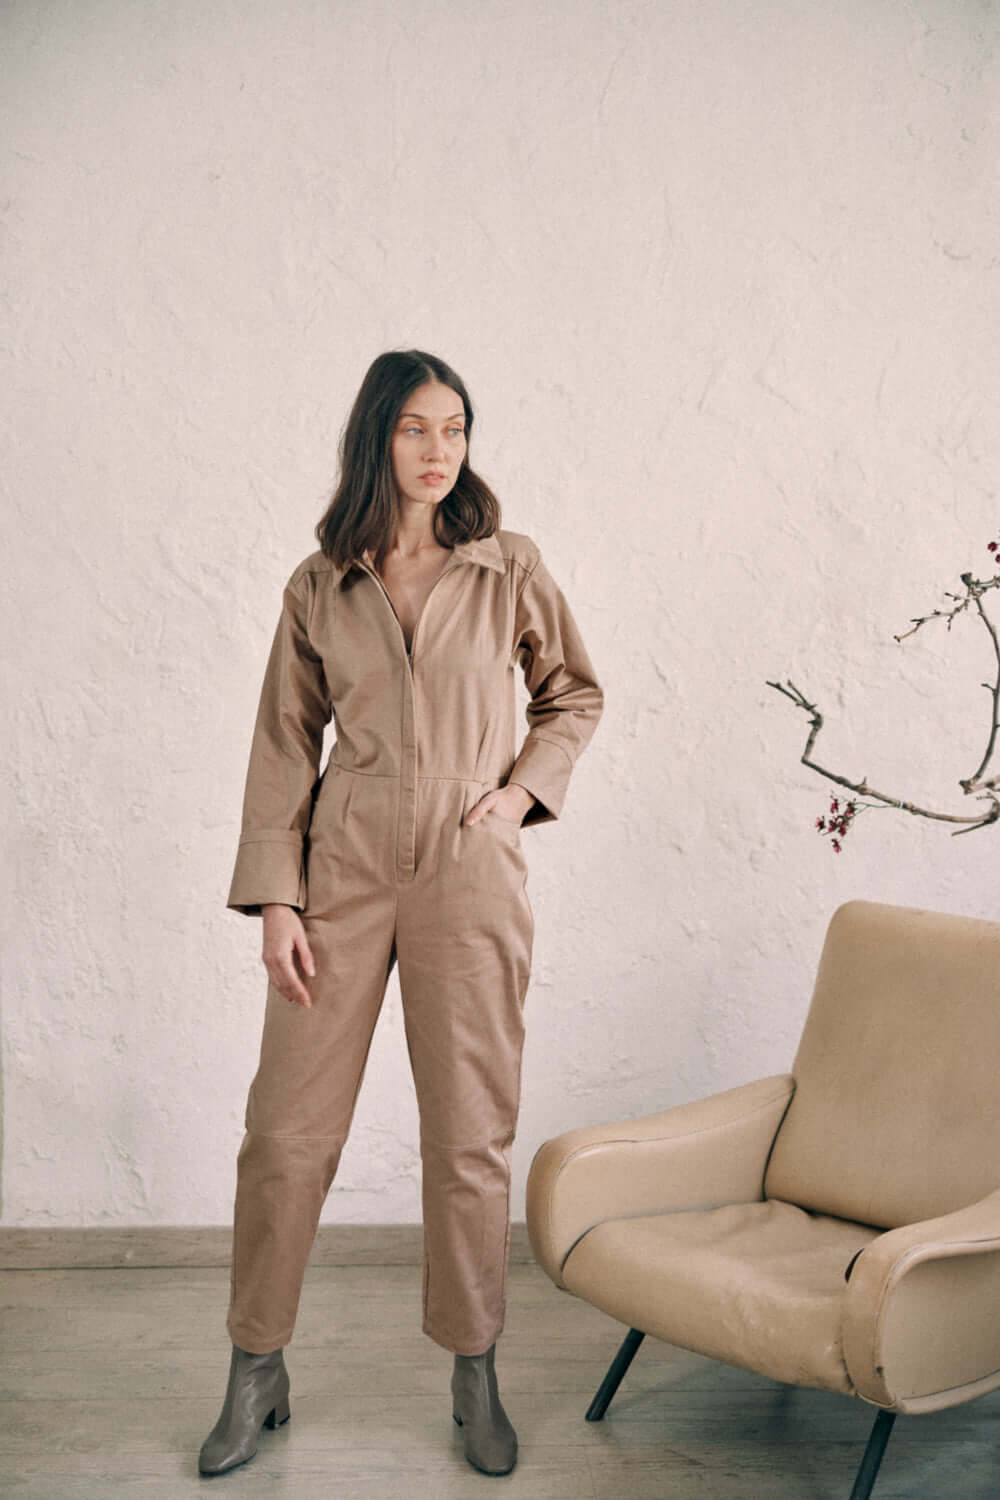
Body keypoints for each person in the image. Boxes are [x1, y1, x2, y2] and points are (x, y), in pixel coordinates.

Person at [198, 349, 604, 1479]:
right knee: (285, 1134)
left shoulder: (506, 566)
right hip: (343, 864)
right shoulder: (320, 582)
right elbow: (285, 740)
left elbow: (572, 692)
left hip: (470, 865)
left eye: (457, 428)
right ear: (377, 438)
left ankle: (475, 1371)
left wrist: (519, 792)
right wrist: (278, 896)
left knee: (469, 1135)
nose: (439, 451)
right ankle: (254, 1368)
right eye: (417, 429)